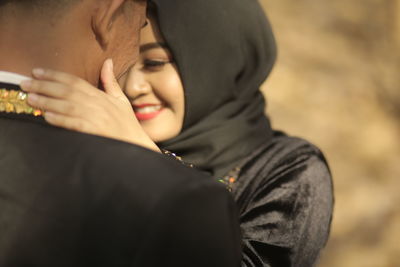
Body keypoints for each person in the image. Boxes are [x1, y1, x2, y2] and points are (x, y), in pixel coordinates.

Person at [24, 0, 334, 266]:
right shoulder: (93, 154)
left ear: (218, 60)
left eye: (156, 63)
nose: (132, 87)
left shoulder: (292, 172)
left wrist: (143, 161)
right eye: (124, 66)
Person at [0, 1, 242, 266]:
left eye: (154, 62)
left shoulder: (285, 175)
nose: (134, 87)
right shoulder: (181, 202)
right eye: (139, 27)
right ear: (107, 13)